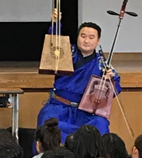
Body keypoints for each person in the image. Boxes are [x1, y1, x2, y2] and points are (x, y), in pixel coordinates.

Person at [37, 9, 121, 142]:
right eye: (83, 36)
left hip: (86, 112)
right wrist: (55, 24)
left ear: (98, 41)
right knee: (46, 120)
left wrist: (110, 80)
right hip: (59, 105)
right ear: (77, 37)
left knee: (101, 124)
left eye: (91, 37)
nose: (86, 40)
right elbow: (54, 44)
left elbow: (115, 90)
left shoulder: (103, 64)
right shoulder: (66, 53)